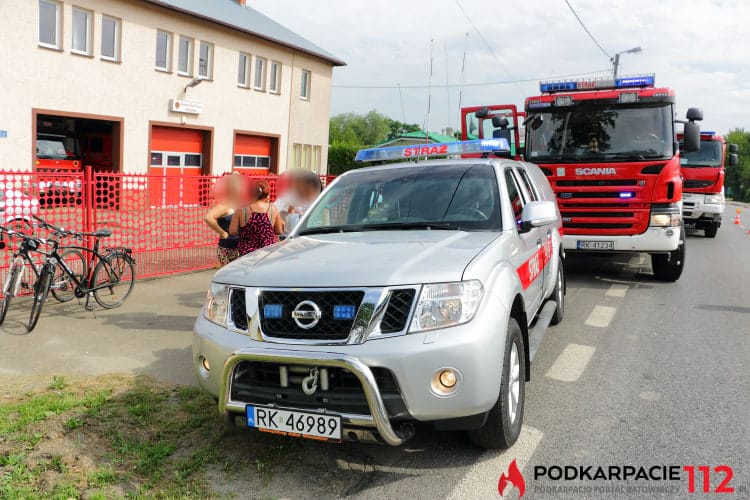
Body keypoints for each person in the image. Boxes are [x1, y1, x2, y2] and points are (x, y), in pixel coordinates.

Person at [230, 179, 283, 256]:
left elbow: (232, 231)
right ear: (267, 193)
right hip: (267, 253)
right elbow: (279, 231)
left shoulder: (242, 209)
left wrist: (246, 232)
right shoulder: (273, 208)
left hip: (247, 253)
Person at [204, 173, 243, 266]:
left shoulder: (241, 203)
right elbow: (208, 218)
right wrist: (222, 232)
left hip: (241, 247)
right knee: (229, 277)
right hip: (228, 247)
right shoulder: (224, 205)